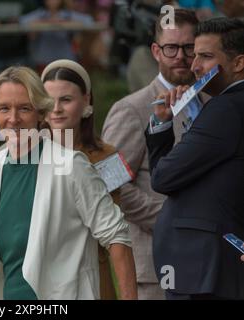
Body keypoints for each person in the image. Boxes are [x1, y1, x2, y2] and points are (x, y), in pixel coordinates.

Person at [0, 65, 137, 300]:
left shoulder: (72, 166)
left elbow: (117, 236)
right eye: (4, 108)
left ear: (40, 113)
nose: (13, 119)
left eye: (24, 108)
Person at [102, 9, 202, 300]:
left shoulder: (214, 102)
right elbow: (109, 183)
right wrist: (168, 219)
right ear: (156, 51)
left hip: (208, 262)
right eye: (171, 48)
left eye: (189, 47)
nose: (181, 56)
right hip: (154, 265)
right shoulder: (132, 109)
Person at [145, 17, 244, 299]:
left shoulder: (224, 109)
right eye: (195, 55)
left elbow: (164, 178)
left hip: (205, 269)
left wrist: (161, 127)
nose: (194, 66)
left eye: (205, 56)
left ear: (238, 63)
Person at [40, 59, 123, 299]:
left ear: (86, 101)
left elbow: (113, 223)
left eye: (66, 99)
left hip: (91, 273)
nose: (55, 108)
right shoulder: (26, 154)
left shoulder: (109, 155)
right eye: (48, 100)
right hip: (39, 273)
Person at [19, 0, 95, 73]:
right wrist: (48, 23)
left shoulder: (67, 14)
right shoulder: (39, 14)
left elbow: (88, 21)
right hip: (42, 63)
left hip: (66, 62)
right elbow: (22, 22)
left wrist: (64, 23)